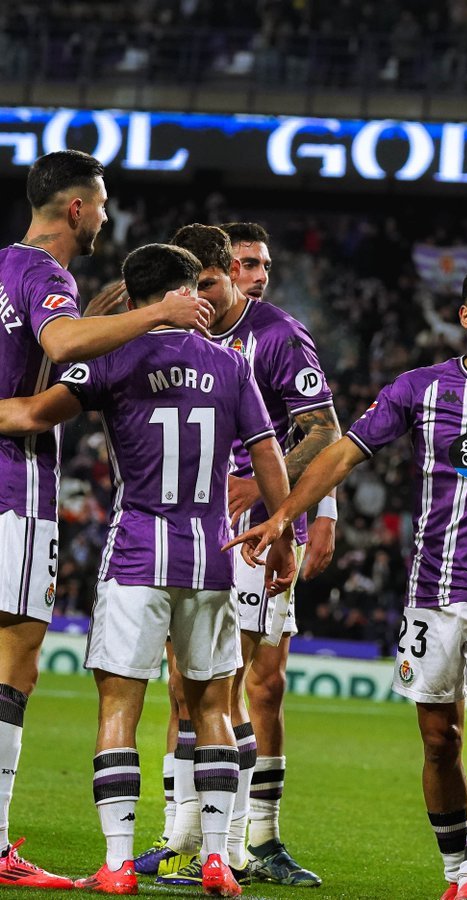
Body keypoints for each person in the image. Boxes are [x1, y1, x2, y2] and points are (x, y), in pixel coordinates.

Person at [225, 262, 467, 900]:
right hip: (430, 597)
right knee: (440, 742)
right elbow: (341, 454)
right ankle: (456, 866)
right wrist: (285, 515)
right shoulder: (419, 390)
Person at [0, 242, 297, 896]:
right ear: (192, 291)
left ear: (133, 300)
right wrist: (281, 534)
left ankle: (115, 864)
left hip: (137, 552)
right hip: (211, 558)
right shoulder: (232, 365)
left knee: (119, 708)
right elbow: (268, 451)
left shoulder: (112, 360)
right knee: (212, 707)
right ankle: (218, 858)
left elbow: (27, 413)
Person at [0, 150, 211, 889]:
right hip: (14, 482)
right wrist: (155, 313)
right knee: (15, 659)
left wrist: (96, 325)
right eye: (104, 202)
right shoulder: (46, 274)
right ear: (78, 208)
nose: (109, 216)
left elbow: (45, 348)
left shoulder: (3, 266)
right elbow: (57, 350)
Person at [141, 224, 337, 888]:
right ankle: (181, 838)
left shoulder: (277, 334)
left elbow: (325, 430)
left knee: (254, 685)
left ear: (222, 273)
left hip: (259, 530)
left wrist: (272, 491)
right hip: (185, 526)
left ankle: (256, 839)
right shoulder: (173, 331)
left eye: (208, 282)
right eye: (189, 284)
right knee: (184, 688)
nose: (198, 294)